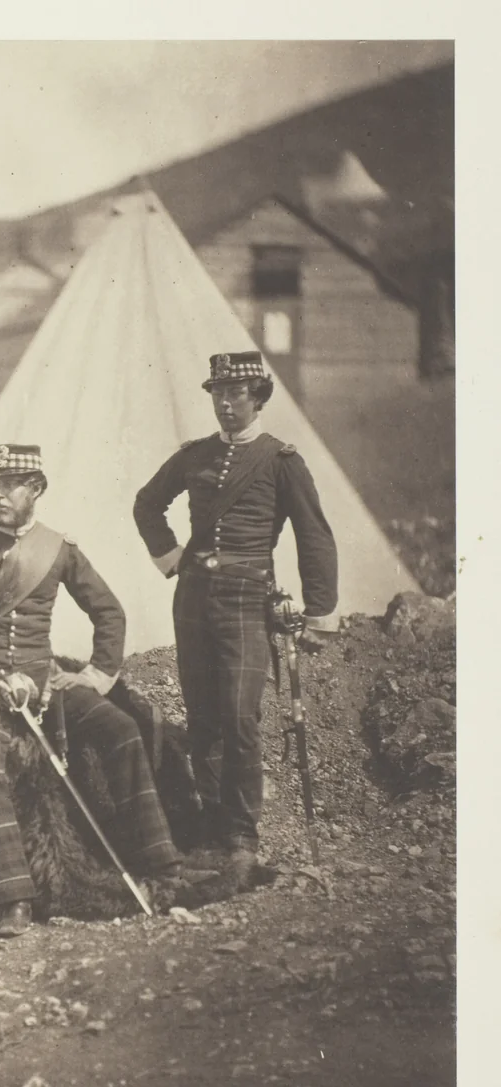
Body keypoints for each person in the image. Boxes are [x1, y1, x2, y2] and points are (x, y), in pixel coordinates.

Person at [0, 443, 218, 937]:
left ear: (36, 489)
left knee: (121, 729)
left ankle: (162, 864)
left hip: (44, 680)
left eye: (11, 486)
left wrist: (96, 675)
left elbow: (109, 611)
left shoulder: (59, 548)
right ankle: (14, 897)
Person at [133, 350, 339, 889]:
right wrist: (171, 558)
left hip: (247, 600)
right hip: (193, 599)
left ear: (259, 397)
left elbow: (314, 535)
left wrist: (319, 612)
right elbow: (146, 504)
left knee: (240, 716)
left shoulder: (280, 460)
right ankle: (210, 831)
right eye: (218, 394)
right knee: (202, 716)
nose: (226, 404)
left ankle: (242, 837)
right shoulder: (195, 455)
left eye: (236, 394)